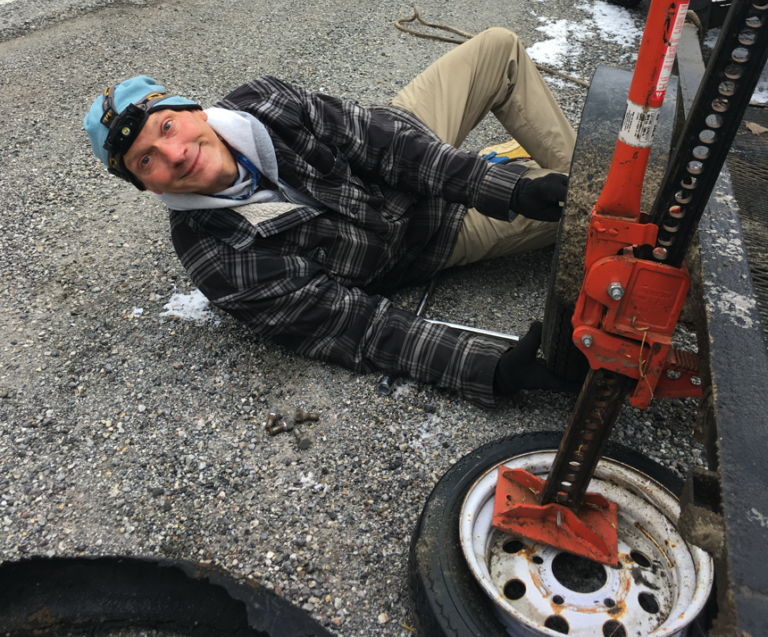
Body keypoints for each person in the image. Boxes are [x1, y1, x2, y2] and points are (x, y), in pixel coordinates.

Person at [84, 28, 576, 408]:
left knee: (498, 49)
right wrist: (489, 369)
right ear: (146, 186)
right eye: (145, 160)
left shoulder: (265, 102)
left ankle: (596, 189)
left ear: (193, 110)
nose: (173, 154)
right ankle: (594, 207)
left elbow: (385, 145)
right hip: (430, 236)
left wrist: (511, 189)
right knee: (573, 217)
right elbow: (358, 328)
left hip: (405, 153)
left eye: (166, 126)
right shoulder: (216, 258)